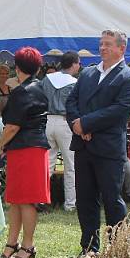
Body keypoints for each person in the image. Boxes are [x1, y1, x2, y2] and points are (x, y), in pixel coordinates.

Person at [66, 29, 130, 256]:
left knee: (112, 200)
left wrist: (86, 124)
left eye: (108, 44)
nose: (102, 48)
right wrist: (77, 125)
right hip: (83, 146)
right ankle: (89, 249)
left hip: (108, 149)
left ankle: (118, 250)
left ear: (122, 48)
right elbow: (71, 101)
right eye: (101, 44)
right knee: (85, 200)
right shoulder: (87, 73)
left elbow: (119, 110)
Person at [0, 47, 50, 258]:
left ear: (17, 67)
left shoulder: (22, 91)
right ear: (37, 67)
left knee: (26, 199)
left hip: (26, 148)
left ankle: (28, 246)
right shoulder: (39, 88)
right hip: (30, 148)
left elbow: (12, 126)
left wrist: (0, 145)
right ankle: (12, 243)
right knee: (16, 198)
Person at [41, 50, 80, 211]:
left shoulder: (47, 79)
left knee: (47, 164)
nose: (79, 66)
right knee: (70, 165)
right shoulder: (74, 82)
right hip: (65, 123)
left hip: (48, 121)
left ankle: (41, 200)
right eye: (78, 63)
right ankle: (70, 204)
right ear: (73, 64)